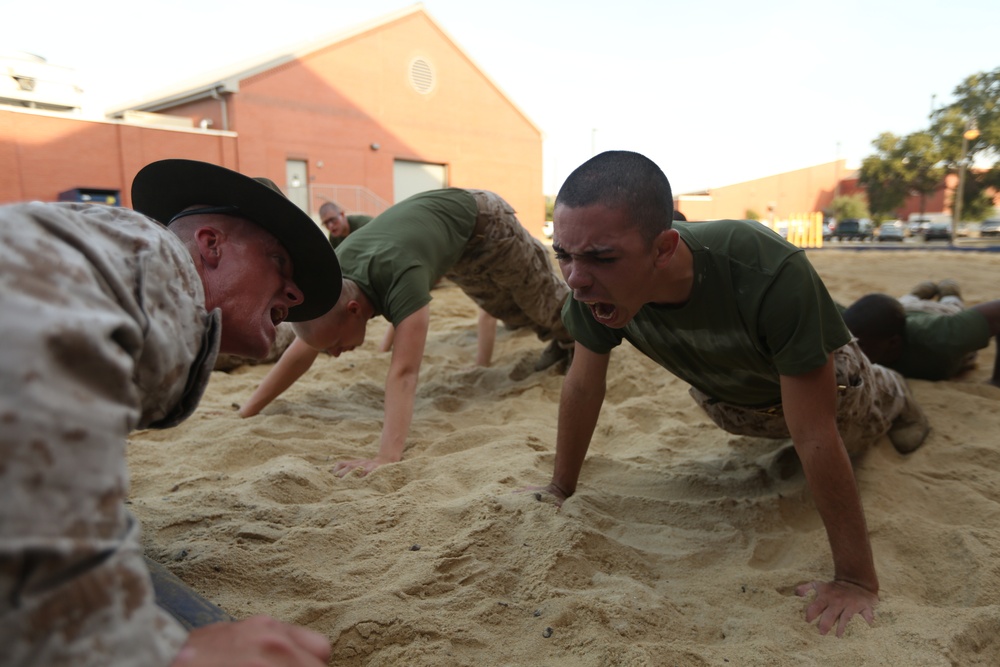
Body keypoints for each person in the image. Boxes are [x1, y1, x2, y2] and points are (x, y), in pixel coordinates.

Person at [534, 150, 930, 638]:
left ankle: (901, 391)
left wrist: (855, 579)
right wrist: (560, 488)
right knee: (752, 415)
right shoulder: (594, 292)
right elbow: (583, 383)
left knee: (861, 414)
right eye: (563, 254)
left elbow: (814, 431)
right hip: (738, 401)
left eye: (601, 257)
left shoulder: (765, 268)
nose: (575, 279)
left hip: (834, 388)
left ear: (663, 249)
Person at [0, 159, 341, 667]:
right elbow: (23, 346)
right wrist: (153, 650)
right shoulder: (153, 258)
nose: (295, 294)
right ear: (210, 246)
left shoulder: (127, 271)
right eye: (278, 263)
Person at [239, 187, 574, 476]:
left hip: (485, 223)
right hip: (454, 245)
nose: (336, 354)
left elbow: (404, 372)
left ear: (354, 311)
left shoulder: (401, 278)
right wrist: (248, 409)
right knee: (505, 308)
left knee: (539, 299)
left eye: (337, 345)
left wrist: (386, 457)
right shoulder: (333, 286)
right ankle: (559, 342)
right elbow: (302, 349)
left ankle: (577, 342)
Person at [842, 280, 1000, 384]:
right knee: (901, 304)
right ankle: (920, 292)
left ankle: (948, 289)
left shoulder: (942, 336)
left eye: (861, 345)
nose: (851, 350)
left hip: (937, 314)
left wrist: (996, 379)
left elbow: (996, 314)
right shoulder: (856, 334)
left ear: (893, 343)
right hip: (903, 309)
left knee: (951, 304)